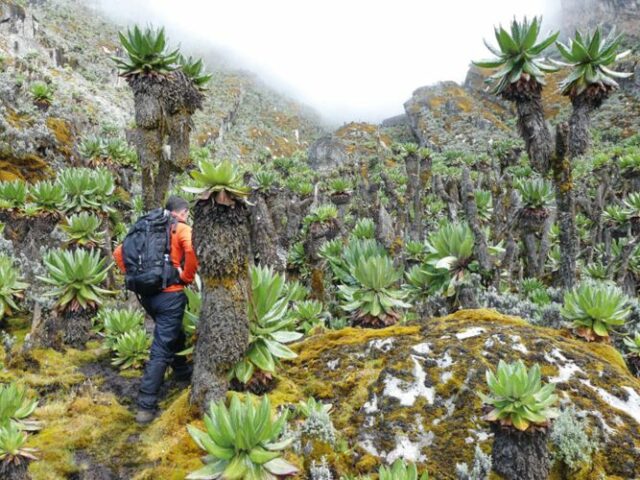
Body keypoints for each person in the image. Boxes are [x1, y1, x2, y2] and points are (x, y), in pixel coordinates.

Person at [113, 195, 199, 424]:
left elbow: (119, 253)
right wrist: (186, 277)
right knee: (161, 347)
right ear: (182, 213)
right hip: (170, 294)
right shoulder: (180, 228)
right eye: (186, 215)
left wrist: (134, 276)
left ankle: (181, 373)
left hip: (147, 296)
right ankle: (145, 405)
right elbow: (192, 251)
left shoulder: (145, 226)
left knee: (172, 331)